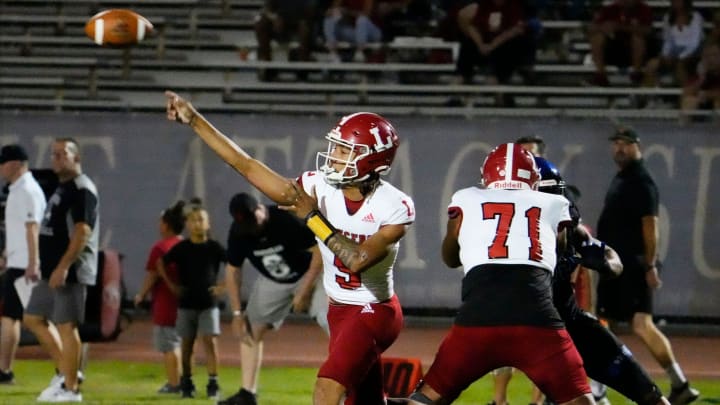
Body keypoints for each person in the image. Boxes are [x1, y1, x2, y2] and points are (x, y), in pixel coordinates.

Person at [165, 90, 415, 405]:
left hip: (374, 310)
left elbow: (356, 260)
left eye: (344, 150)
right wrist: (195, 121)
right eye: (335, 147)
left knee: (326, 389)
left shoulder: (393, 205)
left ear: (371, 158)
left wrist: (312, 217)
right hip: (339, 310)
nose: (334, 155)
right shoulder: (320, 186)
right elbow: (246, 165)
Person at [405, 143, 593, 405]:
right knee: (581, 400)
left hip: (478, 319)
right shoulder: (554, 204)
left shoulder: (466, 198)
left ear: (488, 176)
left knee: (426, 399)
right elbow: (559, 249)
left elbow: (449, 258)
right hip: (537, 320)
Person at [535, 156, 673, 405]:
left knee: (648, 394)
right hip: (524, 328)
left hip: (569, 321)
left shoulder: (568, 226)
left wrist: (606, 264)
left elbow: (608, 255)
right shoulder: (506, 238)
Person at [595, 127, 699, 405]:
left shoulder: (641, 181)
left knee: (630, 324)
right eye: (616, 143)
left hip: (629, 264)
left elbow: (650, 224)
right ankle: (679, 384)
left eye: (625, 144)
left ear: (637, 146)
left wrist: (650, 264)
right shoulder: (625, 177)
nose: (619, 148)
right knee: (613, 324)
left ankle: (597, 390)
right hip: (619, 262)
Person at [219, 192, 328, 405]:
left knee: (331, 321)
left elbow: (319, 251)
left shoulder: (285, 219)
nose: (251, 227)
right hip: (275, 281)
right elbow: (233, 271)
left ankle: (356, 387)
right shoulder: (239, 232)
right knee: (249, 329)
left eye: (253, 220)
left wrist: (304, 291)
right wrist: (236, 313)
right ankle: (247, 394)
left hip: (312, 274)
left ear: (260, 208)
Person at [24, 138, 99, 403]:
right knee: (33, 317)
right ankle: (66, 373)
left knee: (67, 326)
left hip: (71, 269)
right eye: (53, 154)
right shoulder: (62, 187)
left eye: (62, 154)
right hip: (52, 268)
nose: (56, 158)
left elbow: (82, 230)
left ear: (76, 158)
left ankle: (71, 389)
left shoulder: (81, 189)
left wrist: (64, 266)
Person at [156, 199, 226, 399]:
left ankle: (213, 382)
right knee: (187, 345)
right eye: (193, 220)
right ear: (187, 224)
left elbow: (233, 266)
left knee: (210, 342)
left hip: (208, 304)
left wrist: (223, 287)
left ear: (208, 223)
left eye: (201, 220)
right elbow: (161, 263)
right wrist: (172, 286)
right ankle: (187, 382)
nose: (197, 224)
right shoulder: (182, 248)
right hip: (186, 305)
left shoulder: (214, 247)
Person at [0, 144, 47, 385]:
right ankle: (4, 370)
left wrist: (33, 262)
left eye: (3, 162)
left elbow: (32, 228)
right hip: (19, 261)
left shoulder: (27, 190)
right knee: (17, 317)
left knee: (28, 320)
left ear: (16, 164)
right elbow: (21, 229)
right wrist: (9, 252)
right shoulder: (18, 190)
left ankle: (67, 368)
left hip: (25, 265)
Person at [133, 200, 186, 394]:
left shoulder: (160, 248)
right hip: (185, 305)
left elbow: (152, 275)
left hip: (166, 303)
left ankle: (174, 383)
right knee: (179, 343)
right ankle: (181, 380)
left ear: (166, 225)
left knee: (168, 345)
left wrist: (141, 295)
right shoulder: (185, 245)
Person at [586, 0, 657, 87]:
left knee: (637, 39)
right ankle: (600, 75)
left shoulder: (643, 9)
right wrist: (603, 27)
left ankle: (636, 74)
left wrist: (620, 27)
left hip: (635, 52)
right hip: (613, 49)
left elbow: (648, 31)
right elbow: (591, 28)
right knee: (597, 38)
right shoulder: (610, 9)